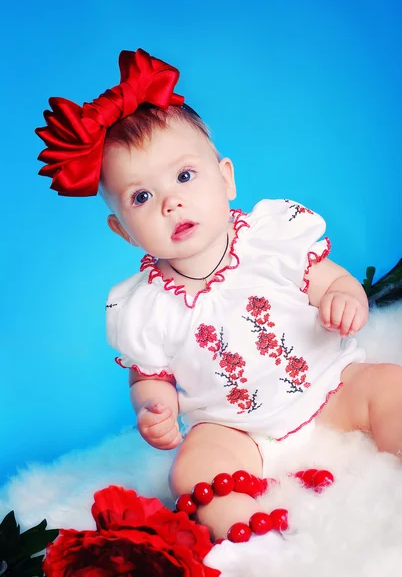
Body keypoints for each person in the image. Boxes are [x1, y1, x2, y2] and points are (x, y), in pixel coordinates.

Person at [36, 48, 402, 542]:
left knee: (389, 387)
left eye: (185, 176)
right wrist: (154, 407)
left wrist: (345, 298)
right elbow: (150, 376)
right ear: (123, 231)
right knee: (191, 472)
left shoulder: (270, 241)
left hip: (329, 387)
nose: (172, 201)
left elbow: (333, 281)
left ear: (226, 178)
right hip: (233, 431)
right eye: (141, 197)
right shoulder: (142, 306)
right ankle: (256, 547)